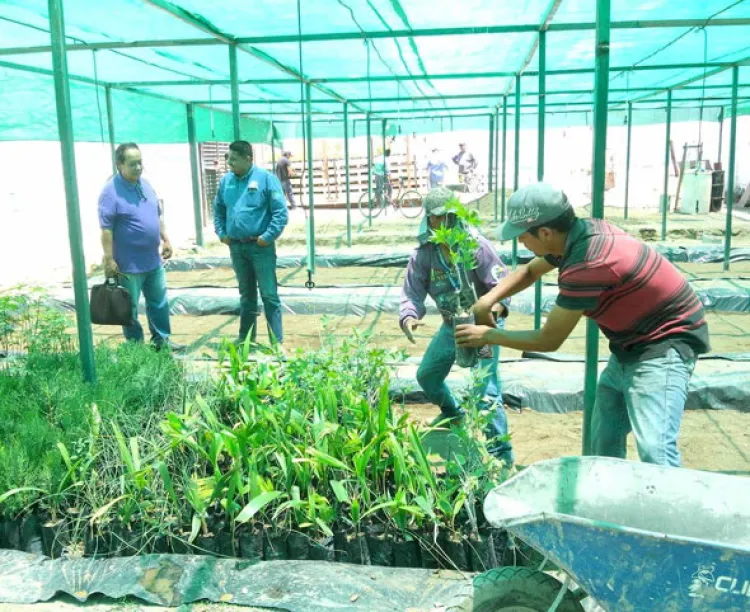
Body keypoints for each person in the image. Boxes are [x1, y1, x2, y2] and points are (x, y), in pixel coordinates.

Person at [456, 182, 710, 467]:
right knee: (605, 431)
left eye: (523, 237)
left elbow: (548, 341)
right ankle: (607, 499)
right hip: (633, 341)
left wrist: (489, 335)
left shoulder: (587, 263)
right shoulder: (577, 235)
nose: (521, 244)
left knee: (655, 450)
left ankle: (670, 508)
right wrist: (485, 302)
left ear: (545, 232)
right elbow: (529, 271)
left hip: (666, 341)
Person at [400, 187, 514, 464]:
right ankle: (452, 413)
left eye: (450, 216)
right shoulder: (425, 255)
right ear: (430, 220)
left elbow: (502, 285)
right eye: (439, 218)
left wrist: (496, 307)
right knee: (427, 375)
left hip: (484, 329)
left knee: (485, 391)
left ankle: (501, 455)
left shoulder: (476, 247)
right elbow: (412, 292)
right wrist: (409, 315)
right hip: (452, 327)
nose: (445, 223)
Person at [98, 142, 181, 350]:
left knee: (159, 303)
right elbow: (106, 229)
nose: (138, 168)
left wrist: (166, 239)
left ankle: (162, 342)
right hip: (128, 265)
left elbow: (157, 215)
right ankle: (136, 347)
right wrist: (109, 258)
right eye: (132, 164)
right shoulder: (110, 192)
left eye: (140, 163)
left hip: (152, 260)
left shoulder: (145, 185)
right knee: (130, 309)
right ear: (120, 165)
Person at [214, 140, 289, 345]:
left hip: (260, 247)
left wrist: (267, 237)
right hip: (237, 247)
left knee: (269, 295)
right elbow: (218, 210)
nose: (230, 163)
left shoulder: (266, 179)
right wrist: (222, 233)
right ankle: (246, 339)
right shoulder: (226, 181)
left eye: (234, 159)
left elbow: (280, 213)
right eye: (228, 159)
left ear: (248, 158)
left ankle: (276, 342)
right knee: (246, 295)